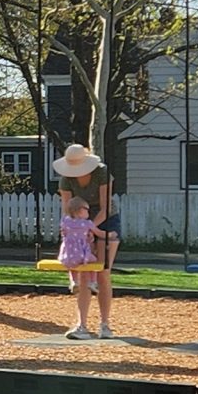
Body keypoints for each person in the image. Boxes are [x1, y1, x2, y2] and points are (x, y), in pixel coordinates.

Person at [53, 141, 121, 337]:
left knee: (102, 271)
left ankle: (105, 324)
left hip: (105, 219)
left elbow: (105, 206)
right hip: (79, 222)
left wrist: (91, 227)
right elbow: (67, 207)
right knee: (83, 273)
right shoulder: (66, 179)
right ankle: (82, 325)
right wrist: (70, 228)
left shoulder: (101, 173)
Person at [54, 179, 105, 337]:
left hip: (68, 253)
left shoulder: (65, 221)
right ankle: (93, 282)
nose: (88, 213)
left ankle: (73, 281)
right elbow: (99, 233)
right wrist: (111, 235)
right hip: (82, 254)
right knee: (93, 262)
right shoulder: (87, 223)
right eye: (86, 210)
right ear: (79, 211)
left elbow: (63, 232)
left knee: (71, 266)